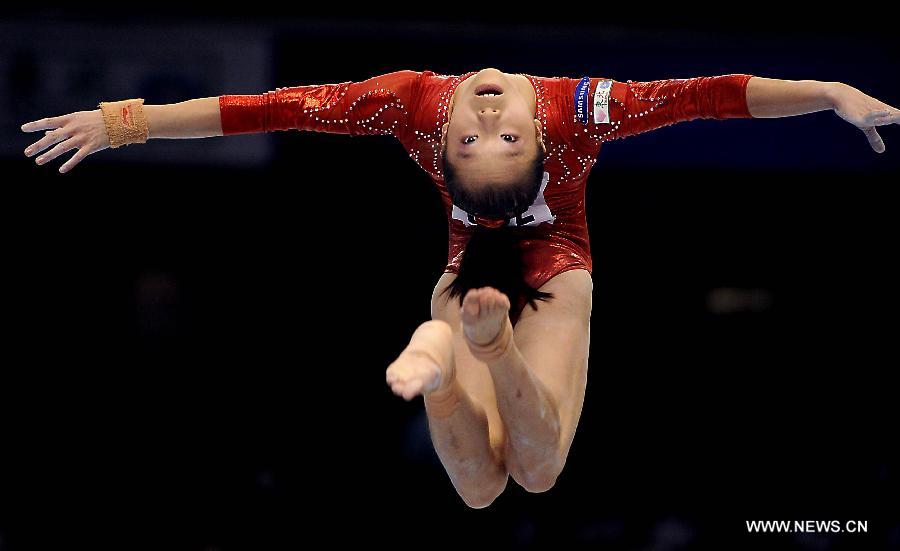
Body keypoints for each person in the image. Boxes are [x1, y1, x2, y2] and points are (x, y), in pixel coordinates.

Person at [20, 66, 898, 508]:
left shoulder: (410, 103)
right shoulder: (577, 110)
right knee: (519, 477)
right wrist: (828, 93)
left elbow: (265, 109)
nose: (483, 124)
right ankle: (472, 344)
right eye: (490, 140)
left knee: (508, 483)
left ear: (437, 152)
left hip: (497, 267)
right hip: (524, 267)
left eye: (486, 142)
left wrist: (125, 122)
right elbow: (720, 97)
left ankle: (448, 351)